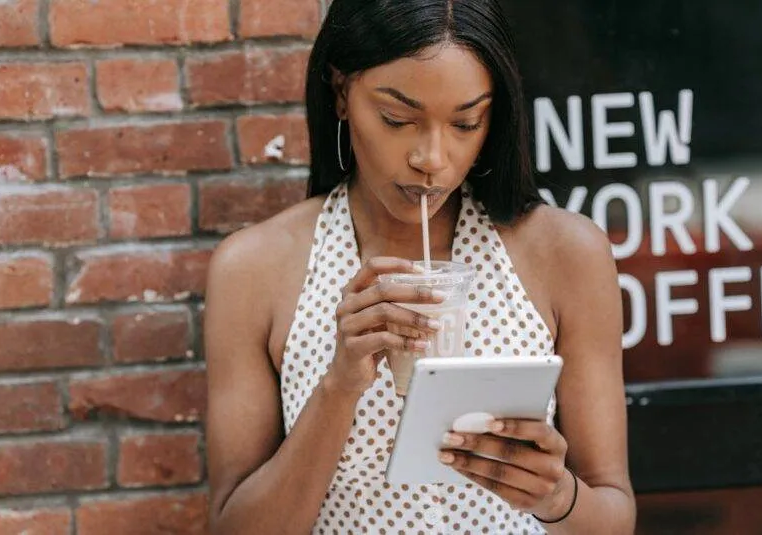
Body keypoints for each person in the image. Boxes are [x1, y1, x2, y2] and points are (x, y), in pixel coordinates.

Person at [204, 0, 635, 532]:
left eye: (465, 123)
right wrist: (340, 385)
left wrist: (555, 495)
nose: (432, 157)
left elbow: (614, 517)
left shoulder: (565, 254)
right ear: (341, 92)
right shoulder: (255, 269)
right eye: (398, 119)